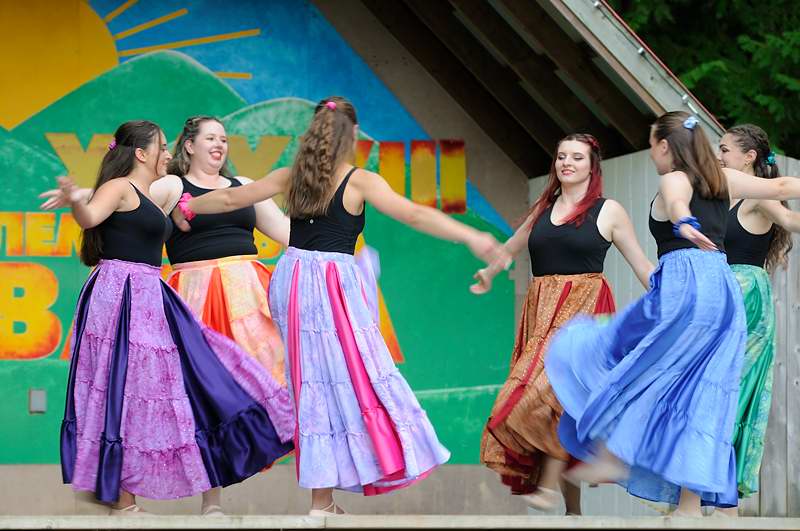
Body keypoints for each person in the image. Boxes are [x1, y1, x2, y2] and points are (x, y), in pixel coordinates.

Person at [172, 96, 505, 515]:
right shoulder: (359, 180)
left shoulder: (291, 176)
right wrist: (471, 236)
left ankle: (322, 499)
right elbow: (414, 216)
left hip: (293, 279)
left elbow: (226, 200)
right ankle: (343, 484)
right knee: (355, 376)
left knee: (311, 383)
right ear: (352, 135)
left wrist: (188, 206)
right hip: (332, 281)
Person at [544, 111, 800, 516]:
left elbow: (678, 202)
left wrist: (683, 223)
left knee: (625, 361)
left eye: (651, 144)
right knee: (701, 393)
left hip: (685, 286)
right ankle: (688, 505)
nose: (651, 152)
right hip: (722, 294)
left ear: (665, 146)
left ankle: (613, 452)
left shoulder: (675, 177)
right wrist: (685, 221)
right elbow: (783, 186)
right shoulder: (722, 179)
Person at [58, 120, 293, 516]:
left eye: (224, 139)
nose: (167, 153)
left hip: (150, 292)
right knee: (124, 386)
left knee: (169, 382)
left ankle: (123, 493)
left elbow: (215, 205)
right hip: (122, 292)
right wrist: (76, 198)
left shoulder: (153, 196)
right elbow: (90, 215)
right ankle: (120, 495)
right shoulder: (125, 186)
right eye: (163, 147)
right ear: (141, 153)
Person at [472, 134, 653, 514]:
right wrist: (489, 273)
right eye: (561, 157)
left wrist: (674, 294)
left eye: (576, 157)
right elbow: (510, 249)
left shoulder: (609, 211)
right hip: (541, 316)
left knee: (556, 398)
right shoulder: (544, 208)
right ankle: (573, 512)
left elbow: (641, 265)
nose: (567, 163)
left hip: (584, 316)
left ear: (592, 165)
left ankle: (549, 489)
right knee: (537, 402)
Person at [716, 124, 800, 515]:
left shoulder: (756, 198)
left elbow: (790, 220)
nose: (719, 156)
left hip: (746, 299)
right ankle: (709, 495)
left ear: (748, 157)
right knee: (712, 392)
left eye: (725, 149)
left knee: (735, 393)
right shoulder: (724, 196)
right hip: (718, 297)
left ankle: (726, 502)